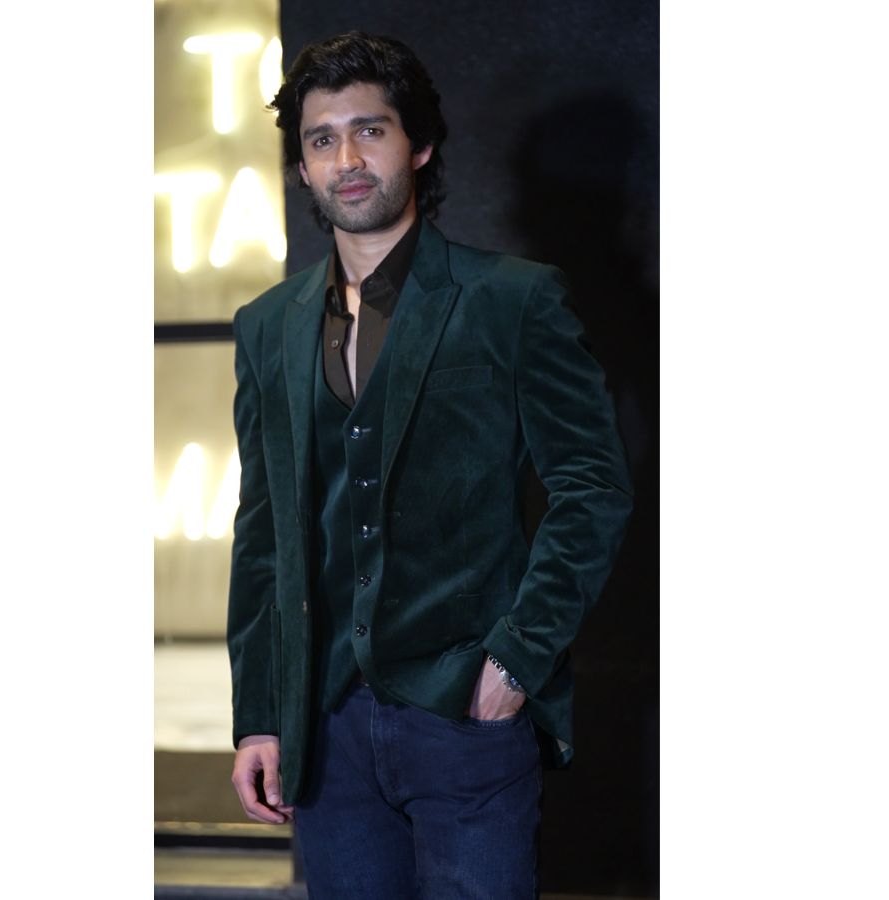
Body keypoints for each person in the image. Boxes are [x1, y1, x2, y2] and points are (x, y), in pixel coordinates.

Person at [227, 31, 633, 898]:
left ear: (418, 145)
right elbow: (264, 533)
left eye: (369, 131)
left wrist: (514, 663)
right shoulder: (267, 325)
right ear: (302, 168)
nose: (347, 160)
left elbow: (593, 487)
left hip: (465, 716)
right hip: (325, 728)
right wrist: (260, 714)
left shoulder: (513, 299)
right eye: (322, 139)